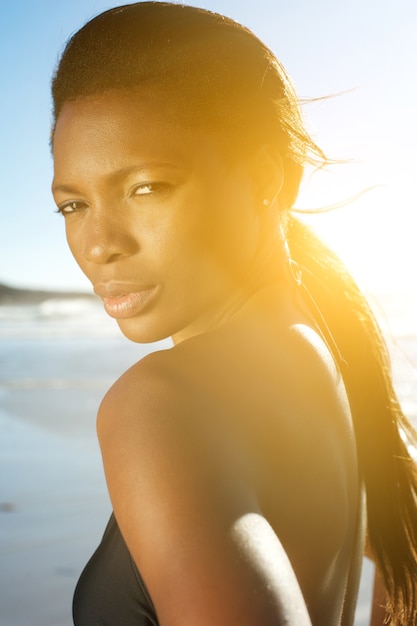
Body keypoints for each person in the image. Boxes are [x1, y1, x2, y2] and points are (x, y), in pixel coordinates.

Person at [50, 3, 417, 625]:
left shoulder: (163, 401)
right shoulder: (322, 354)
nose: (99, 243)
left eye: (147, 188)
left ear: (267, 179)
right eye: (74, 205)